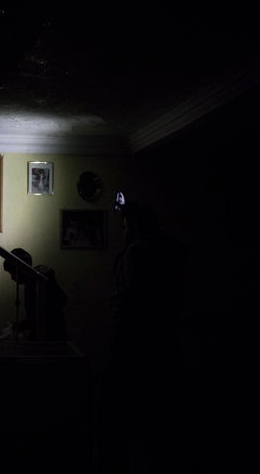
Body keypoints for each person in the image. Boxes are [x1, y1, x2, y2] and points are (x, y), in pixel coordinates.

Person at [96, 201, 186, 474]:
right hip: (165, 342)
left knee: (116, 420)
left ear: (134, 226)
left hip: (131, 344)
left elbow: (132, 298)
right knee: (157, 425)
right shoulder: (175, 249)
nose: (122, 232)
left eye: (124, 226)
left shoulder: (135, 252)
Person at [2, 248, 68, 341]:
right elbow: (34, 318)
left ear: (20, 269)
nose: (12, 278)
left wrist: (18, 326)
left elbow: (38, 317)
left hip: (52, 338)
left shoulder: (38, 282)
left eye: (12, 273)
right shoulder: (32, 283)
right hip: (50, 334)